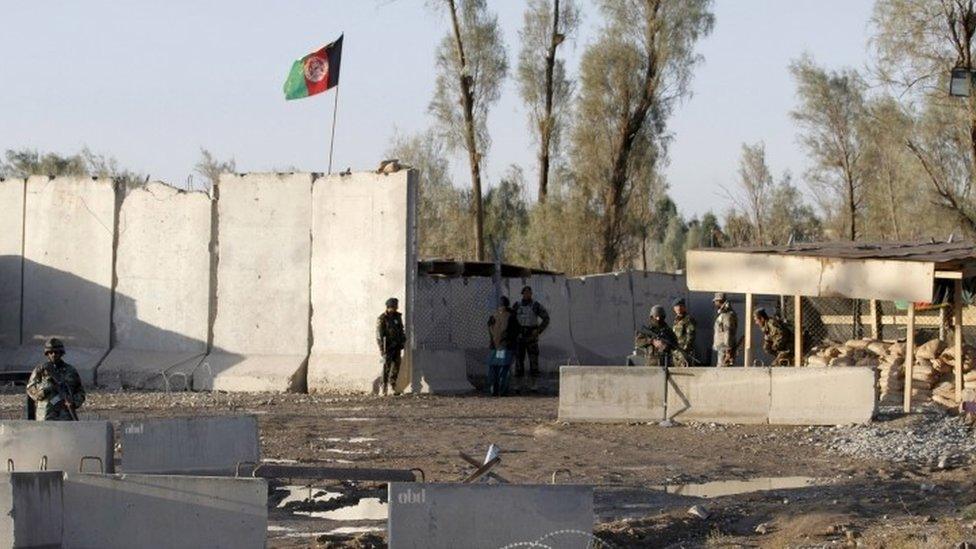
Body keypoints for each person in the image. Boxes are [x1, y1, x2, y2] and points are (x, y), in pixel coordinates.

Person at [26, 338, 85, 421]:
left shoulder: (70, 371)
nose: (53, 354)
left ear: (61, 353)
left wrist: (74, 402)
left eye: (57, 352)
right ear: (47, 354)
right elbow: (30, 388)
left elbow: (80, 391)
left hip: (65, 415)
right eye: (50, 352)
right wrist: (44, 391)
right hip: (45, 415)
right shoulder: (41, 369)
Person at [512, 286, 550, 392]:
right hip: (520, 336)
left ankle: (534, 384)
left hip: (531, 337)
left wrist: (538, 330)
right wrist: (515, 332)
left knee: (533, 361)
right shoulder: (517, 305)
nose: (527, 295)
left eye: (528, 293)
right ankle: (518, 384)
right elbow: (511, 320)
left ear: (531, 294)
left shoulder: (536, 306)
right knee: (519, 361)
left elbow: (546, 318)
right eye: (525, 293)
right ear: (522, 294)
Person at [487, 296, 519, 396]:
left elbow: (490, 329)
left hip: (494, 347)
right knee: (503, 369)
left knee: (493, 368)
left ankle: (493, 390)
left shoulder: (494, 315)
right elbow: (516, 331)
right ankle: (502, 391)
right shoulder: (510, 316)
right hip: (504, 346)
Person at [376, 297, 406, 396]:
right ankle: (383, 387)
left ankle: (391, 386)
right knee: (386, 368)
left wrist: (402, 341)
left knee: (396, 367)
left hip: (397, 346)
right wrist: (382, 349)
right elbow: (379, 336)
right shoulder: (382, 318)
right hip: (388, 347)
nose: (396, 308)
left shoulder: (397, 316)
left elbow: (401, 330)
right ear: (390, 307)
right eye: (394, 306)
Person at [712, 293, 738, 367]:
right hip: (722, 348)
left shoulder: (727, 314)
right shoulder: (723, 314)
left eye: (715, 301)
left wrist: (728, 351)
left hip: (725, 348)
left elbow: (728, 332)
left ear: (719, 301)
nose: (715, 303)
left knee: (723, 370)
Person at [671, 297, 697, 367]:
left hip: (684, 353)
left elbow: (691, 336)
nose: (679, 308)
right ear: (674, 309)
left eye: (681, 306)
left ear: (684, 307)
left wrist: (685, 350)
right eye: (676, 306)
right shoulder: (676, 320)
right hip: (676, 353)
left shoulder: (688, 319)